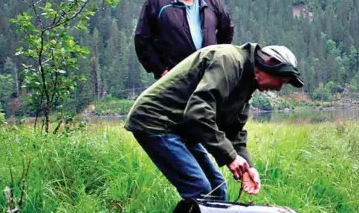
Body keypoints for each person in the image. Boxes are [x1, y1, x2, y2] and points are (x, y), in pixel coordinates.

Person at [125, 43, 303, 202]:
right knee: (199, 189)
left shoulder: (247, 82)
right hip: (156, 120)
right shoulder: (229, 60)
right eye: (281, 81)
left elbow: (234, 131)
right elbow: (198, 112)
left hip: (181, 127)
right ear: (268, 64)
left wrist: (249, 167)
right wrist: (230, 157)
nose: (279, 88)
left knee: (217, 188)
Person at [134, 0, 234, 80]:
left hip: (207, 79)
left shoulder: (211, 2)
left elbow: (227, 28)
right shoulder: (156, 1)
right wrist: (160, 70)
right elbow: (142, 40)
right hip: (174, 80)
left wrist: (216, 56)